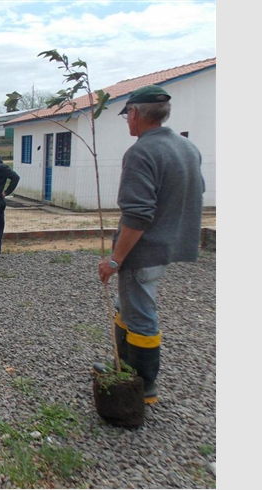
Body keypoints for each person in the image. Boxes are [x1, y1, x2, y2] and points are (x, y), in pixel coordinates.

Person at [95, 85, 205, 404]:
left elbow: (138, 214)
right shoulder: (187, 148)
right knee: (127, 306)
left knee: (141, 313)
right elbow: (194, 192)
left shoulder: (142, 152)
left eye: (127, 115)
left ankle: (141, 387)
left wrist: (115, 260)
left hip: (142, 251)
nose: (127, 122)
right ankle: (123, 367)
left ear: (135, 114)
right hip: (167, 247)